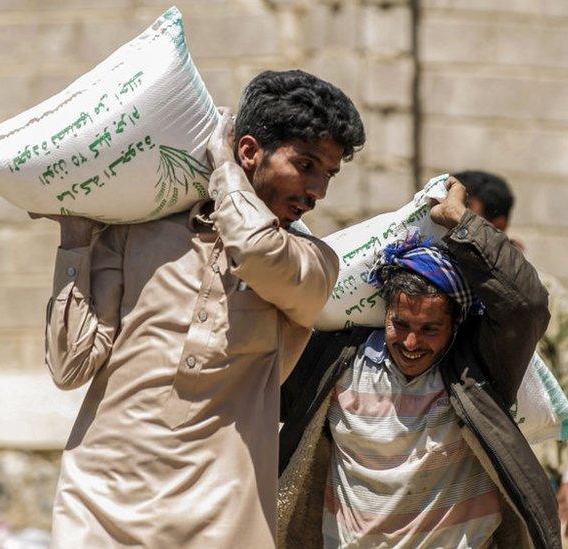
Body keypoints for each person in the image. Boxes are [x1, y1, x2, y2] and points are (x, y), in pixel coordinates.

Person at [38, 70, 365, 548]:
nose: (319, 190)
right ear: (252, 151)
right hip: (98, 503)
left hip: (221, 517)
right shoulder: (138, 235)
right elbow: (70, 366)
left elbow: (256, 250)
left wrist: (225, 171)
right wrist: (73, 243)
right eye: (306, 164)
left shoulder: (311, 264)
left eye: (328, 173)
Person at [277, 177, 562, 548]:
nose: (411, 343)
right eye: (401, 324)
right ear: (385, 315)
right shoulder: (337, 362)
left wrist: (460, 221)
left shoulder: (475, 371)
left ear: (456, 324)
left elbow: (526, 305)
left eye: (430, 329)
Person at [455, 169, 568, 540]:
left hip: (531, 468)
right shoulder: (438, 286)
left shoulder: (542, 292)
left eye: (463, 211)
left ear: (498, 223)